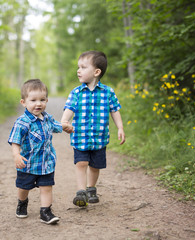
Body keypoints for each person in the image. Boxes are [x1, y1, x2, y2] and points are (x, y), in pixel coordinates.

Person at [61, 50, 125, 207]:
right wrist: (64, 121)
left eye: (83, 67)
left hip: (99, 137)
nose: (78, 70)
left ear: (97, 72)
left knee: (95, 166)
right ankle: (81, 192)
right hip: (80, 136)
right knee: (81, 163)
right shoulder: (76, 93)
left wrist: (120, 127)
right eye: (78, 67)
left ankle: (91, 189)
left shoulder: (108, 92)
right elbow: (69, 109)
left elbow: (114, 110)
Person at [8, 79, 62, 224]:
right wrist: (16, 155)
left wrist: (67, 127)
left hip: (46, 163)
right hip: (28, 165)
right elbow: (15, 141)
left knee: (46, 187)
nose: (38, 103)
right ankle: (22, 202)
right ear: (23, 102)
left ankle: (45, 212)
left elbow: (57, 126)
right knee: (23, 187)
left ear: (47, 100)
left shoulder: (47, 118)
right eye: (33, 100)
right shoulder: (22, 122)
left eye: (42, 100)